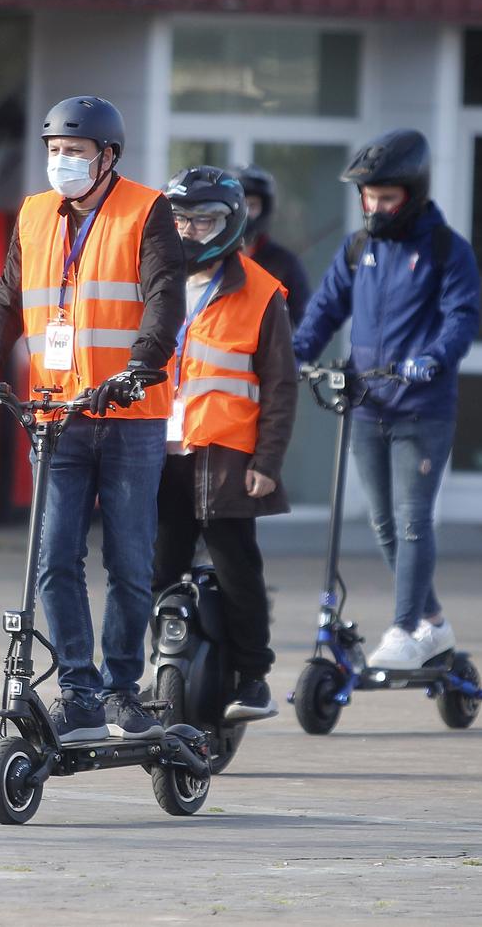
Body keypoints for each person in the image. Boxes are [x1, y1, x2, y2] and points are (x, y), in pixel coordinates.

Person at [0, 95, 185, 743]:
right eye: (55, 152)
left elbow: (165, 299)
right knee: (54, 557)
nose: (63, 163)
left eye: (75, 153)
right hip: (58, 413)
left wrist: (141, 363)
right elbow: (8, 297)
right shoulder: (32, 214)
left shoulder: (147, 211)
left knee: (130, 559)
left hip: (130, 411)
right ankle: (80, 691)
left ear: (107, 157)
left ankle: (121, 689)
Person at [291, 129, 480, 671]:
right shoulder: (359, 248)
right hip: (366, 403)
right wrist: (294, 355)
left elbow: (462, 317)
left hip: (422, 408)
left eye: (386, 198)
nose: (374, 206)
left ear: (414, 194)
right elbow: (325, 310)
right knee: (382, 526)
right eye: (367, 196)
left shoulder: (447, 250)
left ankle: (403, 629)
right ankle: (434, 625)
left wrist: (434, 357)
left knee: (414, 519)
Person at [151, 166, 297, 722]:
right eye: (180, 220)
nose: (190, 232)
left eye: (205, 221)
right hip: (159, 449)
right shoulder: (152, 281)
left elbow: (281, 385)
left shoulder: (262, 293)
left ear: (232, 223)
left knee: (238, 569)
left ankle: (254, 677)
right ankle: (158, 669)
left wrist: (268, 461)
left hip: (227, 456)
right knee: (151, 570)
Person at [235, 164, 311, 327]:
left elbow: (307, 322)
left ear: (265, 209)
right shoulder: (212, 262)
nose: (246, 213)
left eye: (252, 205)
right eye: (240, 205)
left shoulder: (285, 264)